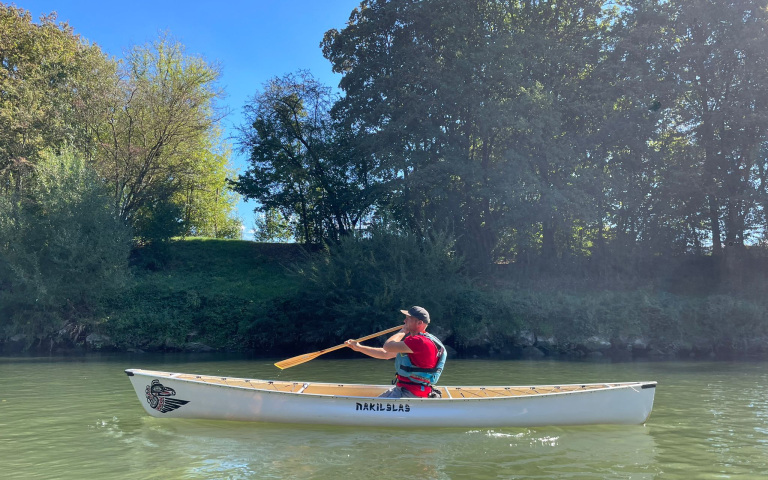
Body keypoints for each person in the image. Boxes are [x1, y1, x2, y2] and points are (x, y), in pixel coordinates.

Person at [345, 306, 447, 398]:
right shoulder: (420, 341)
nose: (404, 321)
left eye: (408, 319)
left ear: (419, 323)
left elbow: (387, 346)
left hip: (410, 393)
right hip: (408, 390)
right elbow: (385, 354)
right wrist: (359, 347)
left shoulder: (419, 341)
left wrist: (402, 331)